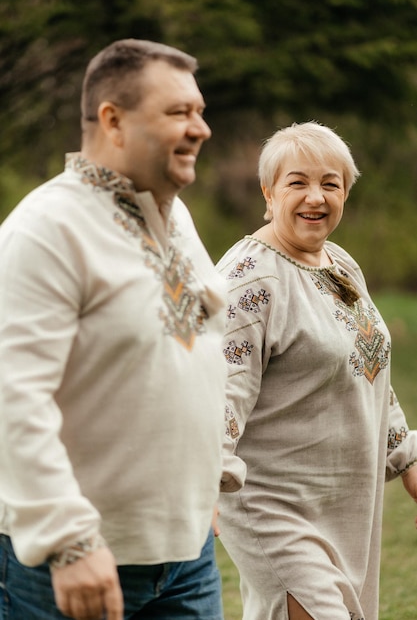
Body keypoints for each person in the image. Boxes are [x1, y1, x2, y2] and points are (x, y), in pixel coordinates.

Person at [0, 39, 228, 620]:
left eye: (200, 112)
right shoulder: (46, 228)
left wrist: (208, 484)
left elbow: (195, 355)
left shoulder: (176, 220)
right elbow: (13, 396)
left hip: (187, 561)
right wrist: (66, 539)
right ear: (113, 120)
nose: (199, 128)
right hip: (70, 565)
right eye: (179, 112)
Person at [216, 121, 417, 620]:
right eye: (297, 182)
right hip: (273, 507)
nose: (316, 197)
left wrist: (406, 457)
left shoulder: (341, 265)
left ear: (346, 192)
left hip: (344, 505)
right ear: (268, 192)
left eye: (330, 183)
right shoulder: (248, 278)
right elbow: (220, 387)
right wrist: (204, 475)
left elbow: (369, 367)